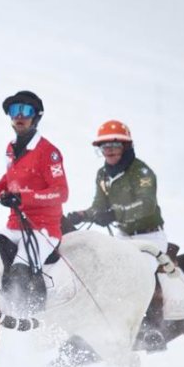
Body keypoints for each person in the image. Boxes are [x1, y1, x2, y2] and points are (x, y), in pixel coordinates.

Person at [63, 119, 169, 351]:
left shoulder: (142, 172)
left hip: (150, 237)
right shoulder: (102, 174)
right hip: (123, 237)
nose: (109, 151)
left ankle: (150, 328)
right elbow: (98, 207)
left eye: (114, 145)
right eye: (104, 147)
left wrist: (113, 214)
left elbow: (146, 206)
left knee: (142, 273)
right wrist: (80, 216)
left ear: (126, 147)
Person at [0, 90, 68, 314]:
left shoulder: (49, 152)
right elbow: (11, 179)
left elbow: (61, 193)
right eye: (13, 111)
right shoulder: (12, 148)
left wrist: (24, 198)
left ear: (36, 116)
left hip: (43, 229)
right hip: (14, 226)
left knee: (20, 269)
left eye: (25, 111)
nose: (19, 116)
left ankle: (27, 315)